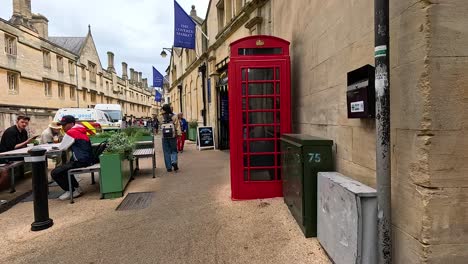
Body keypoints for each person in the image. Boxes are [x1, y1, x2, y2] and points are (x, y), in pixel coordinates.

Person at [51, 115, 94, 200]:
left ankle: (71, 191)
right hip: (88, 159)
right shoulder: (80, 130)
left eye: (64, 125)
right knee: (65, 168)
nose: (63, 127)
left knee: (55, 172)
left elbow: (62, 148)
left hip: (80, 160)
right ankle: (76, 188)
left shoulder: (71, 132)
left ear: (71, 124)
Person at [160, 104, 181, 172]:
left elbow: (160, 125)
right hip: (173, 136)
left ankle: (169, 167)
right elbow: (178, 126)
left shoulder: (161, 117)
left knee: (166, 151)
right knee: (174, 150)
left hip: (164, 137)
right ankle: (174, 162)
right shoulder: (174, 116)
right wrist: (179, 134)